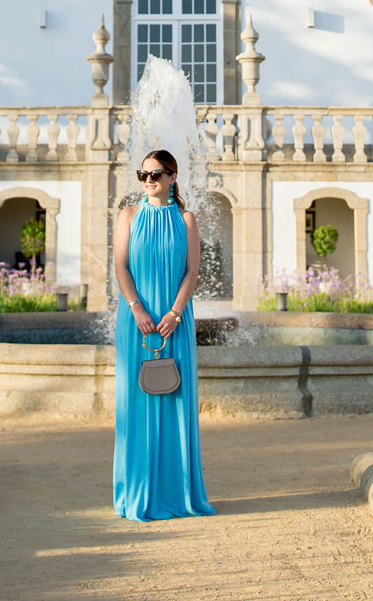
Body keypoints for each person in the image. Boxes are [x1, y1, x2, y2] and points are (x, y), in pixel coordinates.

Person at [112, 149, 215, 521]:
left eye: (156, 174)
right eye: (143, 174)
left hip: (175, 320)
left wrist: (174, 312)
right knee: (135, 405)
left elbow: (192, 272)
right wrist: (136, 306)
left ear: (172, 177)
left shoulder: (186, 219)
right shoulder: (127, 216)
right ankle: (136, 494)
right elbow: (121, 267)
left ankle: (177, 492)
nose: (149, 180)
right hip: (136, 320)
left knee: (176, 402)